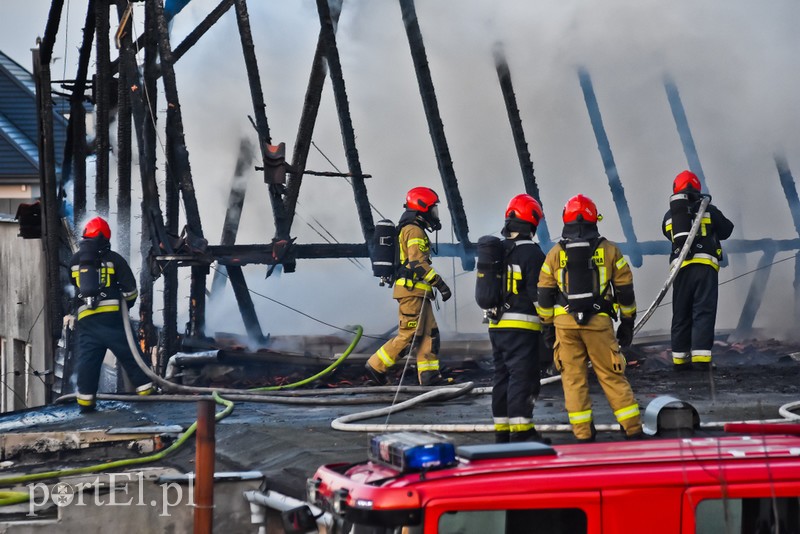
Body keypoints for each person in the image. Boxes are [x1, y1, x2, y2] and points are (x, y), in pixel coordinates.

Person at [537, 194, 643, 442]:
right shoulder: (609, 251)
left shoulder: (554, 254)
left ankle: (583, 434)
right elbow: (625, 289)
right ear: (595, 218)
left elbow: (544, 293)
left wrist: (547, 327)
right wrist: (627, 322)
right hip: (598, 324)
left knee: (573, 380)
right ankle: (633, 429)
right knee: (611, 375)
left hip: (565, 325)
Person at [365, 187, 452, 386]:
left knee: (430, 334)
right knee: (410, 334)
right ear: (422, 208)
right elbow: (417, 263)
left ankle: (429, 376)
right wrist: (440, 284)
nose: (435, 214)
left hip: (418, 292)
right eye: (433, 209)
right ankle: (376, 366)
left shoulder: (413, 228)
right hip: (412, 291)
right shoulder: (414, 230)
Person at [68, 216, 155, 412]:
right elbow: (130, 290)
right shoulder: (115, 259)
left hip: (87, 321)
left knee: (87, 361)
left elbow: (76, 287)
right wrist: (126, 303)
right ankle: (147, 392)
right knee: (131, 355)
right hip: (113, 319)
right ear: (106, 237)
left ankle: (86, 402)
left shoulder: (75, 262)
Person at [488, 194, 548, 443]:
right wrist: (549, 322)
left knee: (501, 376)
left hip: (496, 325)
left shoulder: (497, 251)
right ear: (531, 223)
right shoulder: (532, 254)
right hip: (522, 326)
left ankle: (502, 432)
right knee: (522, 377)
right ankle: (523, 433)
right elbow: (539, 294)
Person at [662, 170, 734, 371]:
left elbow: (670, 235)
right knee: (703, 311)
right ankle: (702, 361)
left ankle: (680, 360)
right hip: (705, 268)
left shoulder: (670, 216)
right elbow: (727, 230)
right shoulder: (710, 210)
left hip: (681, 270)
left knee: (681, 313)